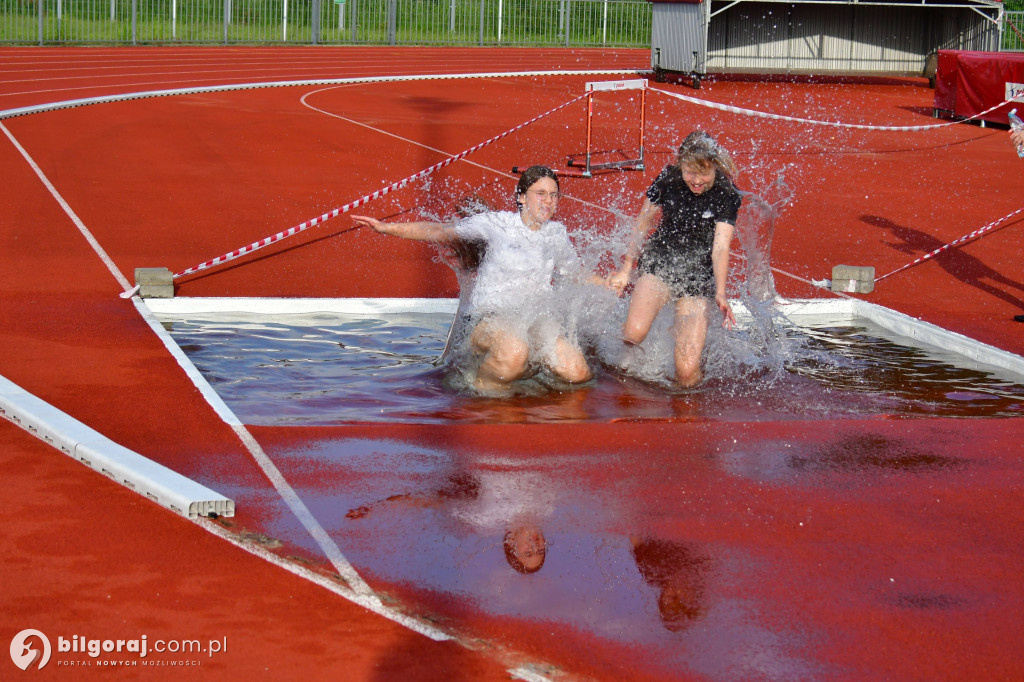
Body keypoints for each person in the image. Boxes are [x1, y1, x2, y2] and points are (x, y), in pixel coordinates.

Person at [351, 166, 593, 393]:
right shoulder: (496, 224)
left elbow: (577, 275)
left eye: (554, 195)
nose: (548, 201)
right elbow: (441, 231)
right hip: (487, 319)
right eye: (540, 193)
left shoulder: (557, 234)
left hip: (532, 321)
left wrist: (607, 283)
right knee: (515, 352)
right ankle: (478, 393)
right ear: (521, 197)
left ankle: (525, 384)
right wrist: (387, 228)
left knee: (576, 371)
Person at [606, 130, 743, 387]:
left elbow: (721, 247)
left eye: (704, 173)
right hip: (662, 261)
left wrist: (721, 293)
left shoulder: (727, 193)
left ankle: (689, 419)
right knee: (632, 335)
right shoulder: (668, 178)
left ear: (715, 166)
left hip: (698, 276)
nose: (697, 180)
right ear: (681, 163)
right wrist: (626, 269)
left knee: (687, 373)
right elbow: (643, 222)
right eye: (690, 171)